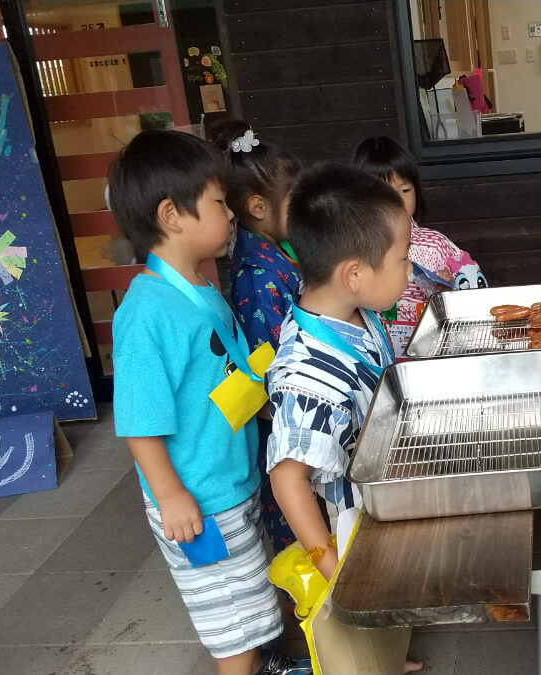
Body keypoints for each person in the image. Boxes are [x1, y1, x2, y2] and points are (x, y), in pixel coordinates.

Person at [108, 130, 310, 675]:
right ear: (173, 215)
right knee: (233, 628)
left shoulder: (201, 287)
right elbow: (138, 421)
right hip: (196, 502)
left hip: (227, 481)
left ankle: (270, 662)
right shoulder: (147, 312)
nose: (232, 215)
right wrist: (170, 494)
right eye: (220, 204)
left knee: (247, 598)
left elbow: (226, 374)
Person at [265, 162, 423, 673]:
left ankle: (390, 657)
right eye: (402, 260)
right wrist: (328, 564)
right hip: (351, 522)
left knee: (386, 601)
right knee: (359, 612)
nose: (410, 271)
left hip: (382, 487)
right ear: (354, 274)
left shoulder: (354, 311)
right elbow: (288, 477)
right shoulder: (309, 376)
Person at [208, 118, 304, 553]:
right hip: (286, 418)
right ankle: (306, 609)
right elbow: (275, 361)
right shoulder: (258, 275)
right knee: (297, 521)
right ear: (259, 207)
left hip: (292, 412)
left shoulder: (274, 252)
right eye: (294, 201)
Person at [353, 136, 486, 325]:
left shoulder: (435, 244)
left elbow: (474, 284)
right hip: (380, 350)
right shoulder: (354, 250)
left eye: (405, 190)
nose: (397, 201)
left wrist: (452, 288)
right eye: (384, 194)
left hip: (433, 344)